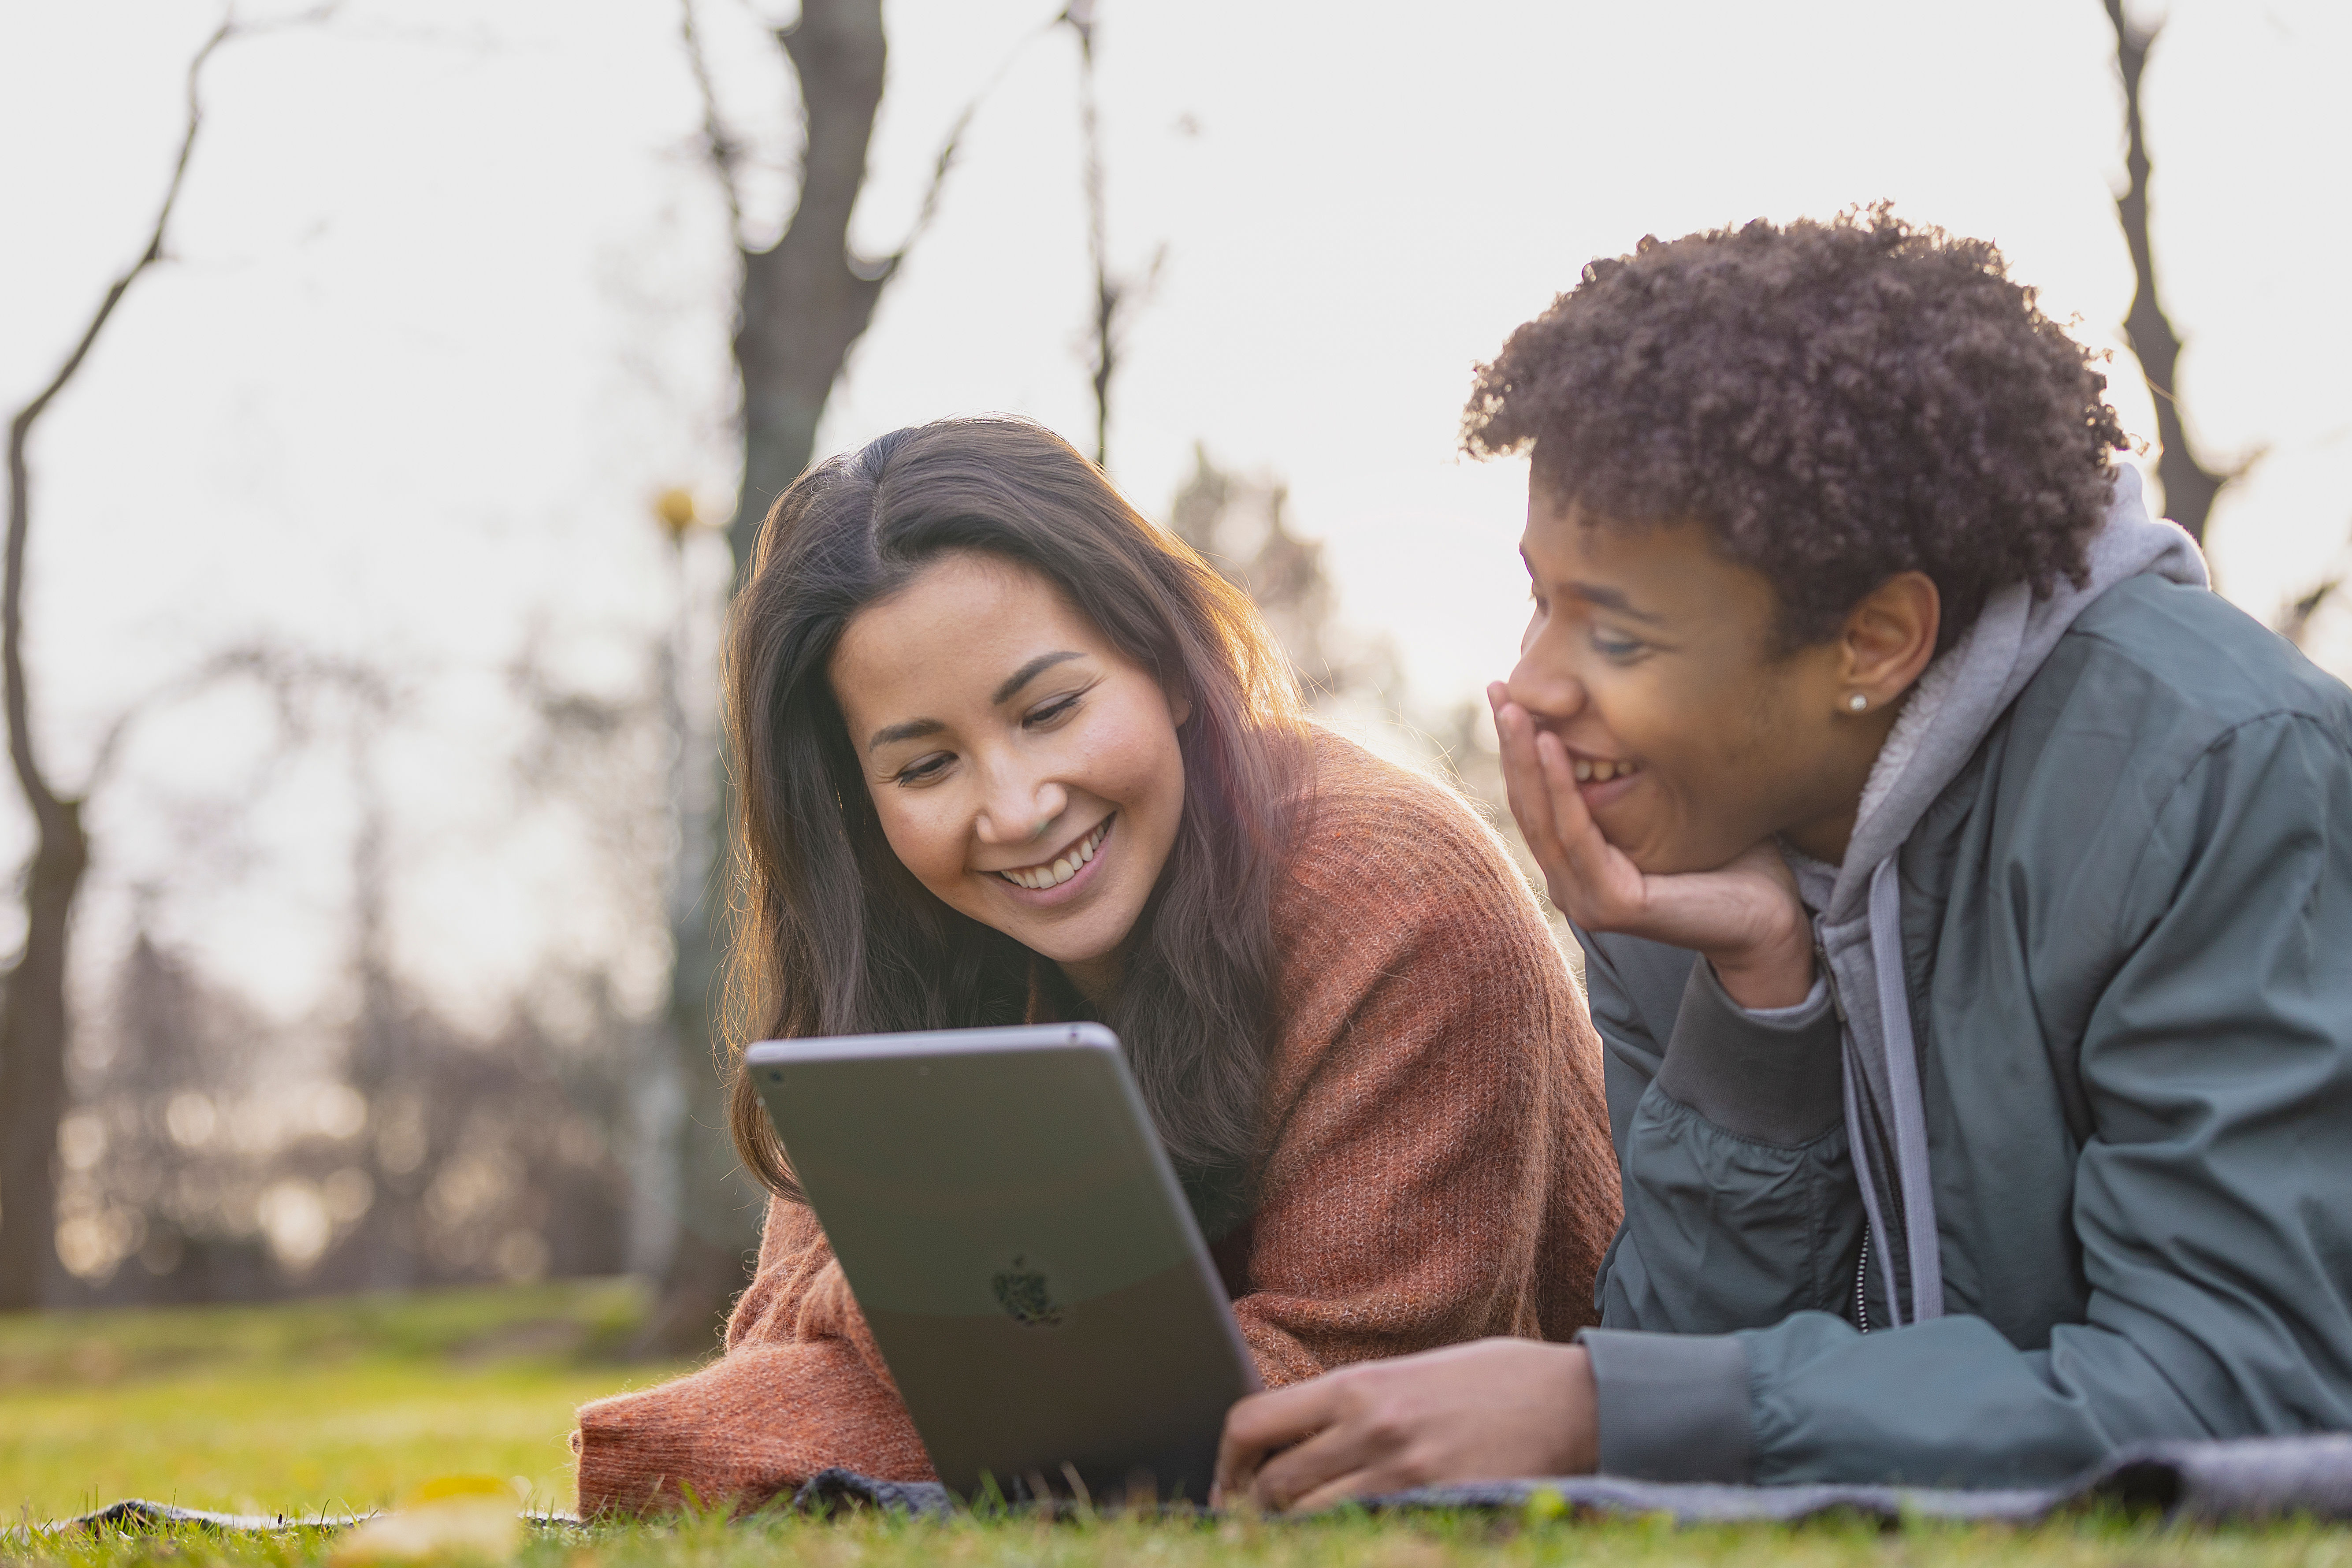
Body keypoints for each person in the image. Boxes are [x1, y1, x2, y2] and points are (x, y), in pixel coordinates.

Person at [1217, 209, 2352, 1508]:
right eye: (1541, 597)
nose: (1527, 687)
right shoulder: (1667, 841)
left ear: (1872, 641)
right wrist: (1758, 1018)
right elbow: (1697, 1435)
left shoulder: (2214, 772)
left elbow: (2241, 1386)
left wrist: (1600, 1402)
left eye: (1619, 637)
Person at [572, 416, 1621, 1513]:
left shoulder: (1396, 897)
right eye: (926, 765)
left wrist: (926, 1315)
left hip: (1465, 1476)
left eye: (1053, 709)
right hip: (1177, 1438)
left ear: (1167, 661)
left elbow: (1337, 1400)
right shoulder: (905, 930)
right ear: (858, 801)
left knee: (690, 1448)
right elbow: (774, 1342)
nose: (1016, 809)